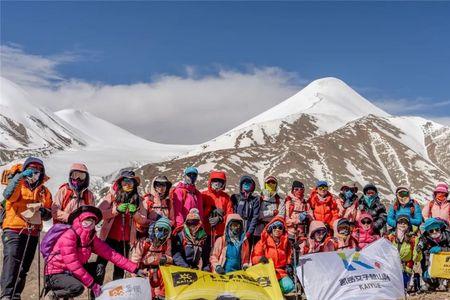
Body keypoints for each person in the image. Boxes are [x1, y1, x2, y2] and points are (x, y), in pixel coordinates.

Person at [44, 206, 146, 299]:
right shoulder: (69, 236)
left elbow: (111, 254)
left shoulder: (91, 238)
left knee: (99, 269)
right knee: (77, 288)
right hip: (56, 273)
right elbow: (73, 265)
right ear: (78, 221)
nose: (90, 224)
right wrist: (92, 285)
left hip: (71, 272)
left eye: (92, 222)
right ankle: (53, 295)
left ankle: (95, 298)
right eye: (86, 221)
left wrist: (135, 269)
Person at [1, 157, 52, 300]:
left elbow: (49, 212)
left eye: (38, 170)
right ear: (25, 169)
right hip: (13, 229)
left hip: (33, 231)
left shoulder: (44, 191)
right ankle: (6, 295)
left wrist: (43, 212)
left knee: (24, 267)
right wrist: (19, 177)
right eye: (31, 169)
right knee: (11, 261)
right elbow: (8, 195)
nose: (35, 172)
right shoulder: (18, 184)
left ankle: (15, 295)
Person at [96, 169, 146, 284]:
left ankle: (115, 294)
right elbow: (99, 213)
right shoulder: (112, 196)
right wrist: (115, 210)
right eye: (125, 181)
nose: (127, 184)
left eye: (131, 181)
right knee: (100, 267)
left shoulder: (138, 200)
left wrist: (135, 214)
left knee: (119, 271)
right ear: (120, 182)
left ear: (135, 184)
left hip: (125, 241)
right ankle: (96, 294)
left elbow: (143, 220)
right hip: (108, 238)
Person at [130, 216, 172, 300]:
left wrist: (166, 258)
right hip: (143, 271)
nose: (162, 233)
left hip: (159, 271)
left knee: (164, 276)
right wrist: (136, 276)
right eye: (159, 229)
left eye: (165, 231)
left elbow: (170, 258)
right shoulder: (144, 242)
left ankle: (161, 296)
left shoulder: (167, 243)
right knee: (147, 292)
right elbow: (134, 261)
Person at [252, 217, 294, 295]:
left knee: (290, 286)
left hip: (280, 273)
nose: (277, 229)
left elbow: (289, 258)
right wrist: (260, 259)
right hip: (266, 272)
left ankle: (275, 293)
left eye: (280, 227)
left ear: (283, 230)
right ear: (271, 229)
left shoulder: (286, 243)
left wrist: (290, 263)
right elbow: (254, 258)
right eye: (275, 227)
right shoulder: (263, 242)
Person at [201, 171, 234, 269]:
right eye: (214, 180)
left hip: (220, 233)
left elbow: (230, 214)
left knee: (218, 255)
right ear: (210, 181)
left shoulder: (226, 197)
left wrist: (220, 218)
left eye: (220, 181)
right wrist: (209, 210)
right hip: (206, 232)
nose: (217, 183)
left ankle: (216, 273)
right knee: (205, 254)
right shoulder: (204, 195)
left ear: (223, 183)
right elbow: (200, 211)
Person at [386, 214, 421, 291]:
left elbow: (416, 259)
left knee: (402, 287)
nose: (402, 224)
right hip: (393, 266)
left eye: (405, 222)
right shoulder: (390, 237)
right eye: (400, 222)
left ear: (408, 225)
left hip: (406, 267)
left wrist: (418, 251)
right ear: (396, 224)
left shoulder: (413, 239)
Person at [416, 217, 450, 292]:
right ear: (428, 232)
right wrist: (423, 249)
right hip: (432, 262)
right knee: (427, 264)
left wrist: (442, 249)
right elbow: (420, 247)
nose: (434, 232)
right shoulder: (424, 238)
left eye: (437, 229)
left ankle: (444, 282)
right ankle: (429, 283)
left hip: (445, 262)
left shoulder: (447, 235)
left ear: (440, 228)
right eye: (431, 231)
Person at [231, 175, 261, 248]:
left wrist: (249, 233)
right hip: (236, 231)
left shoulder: (255, 200)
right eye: (244, 182)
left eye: (249, 183)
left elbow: (255, 217)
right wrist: (233, 230)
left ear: (252, 186)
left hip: (249, 232)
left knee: (246, 253)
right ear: (241, 185)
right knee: (236, 252)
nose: (246, 184)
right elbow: (233, 214)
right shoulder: (236, 198)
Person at [254, 176, 285, 243]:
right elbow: (257, 214)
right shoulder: (259, 199)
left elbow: (281, 216)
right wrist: (272, 213)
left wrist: (264, 215)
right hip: (258, 231)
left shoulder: (280, 200)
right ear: (265, 184)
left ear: (276, 185)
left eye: (273, 182)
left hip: (272, 232)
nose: (271, 184)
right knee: (258, 251)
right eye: (268, 182)